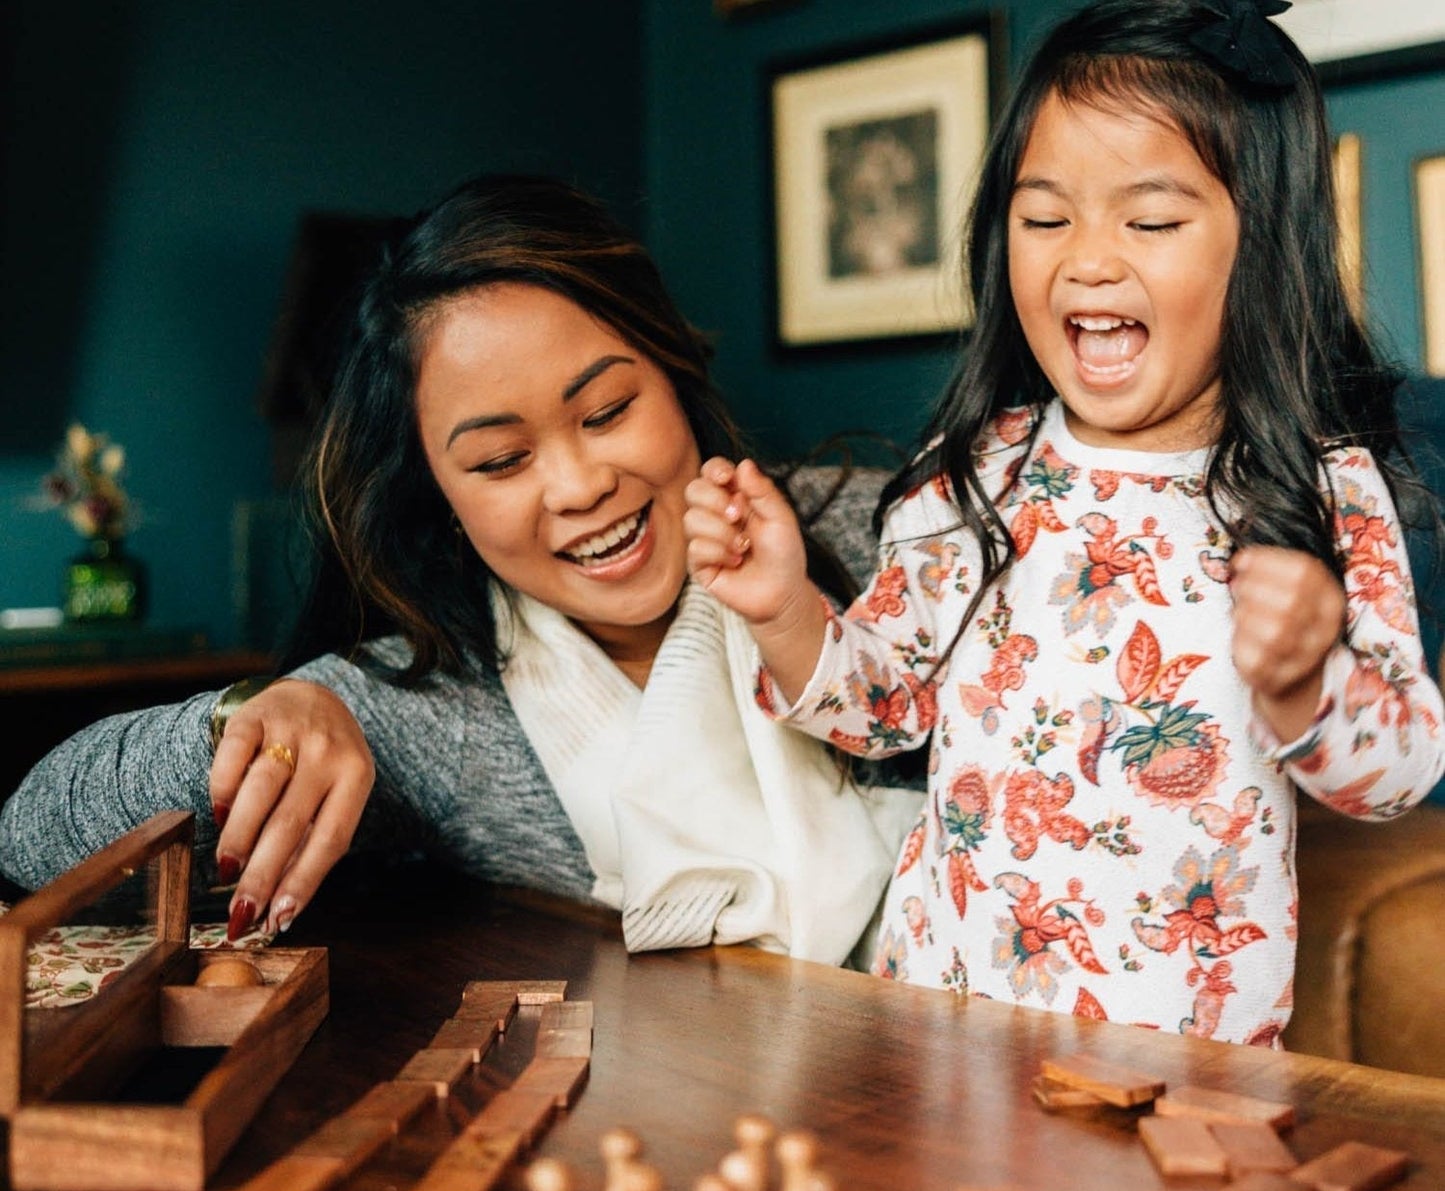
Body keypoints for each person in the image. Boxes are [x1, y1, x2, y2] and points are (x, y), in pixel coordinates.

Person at [683, 0, 1445, 1043]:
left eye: (1149, 220)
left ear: (1262, 245)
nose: (1086, 259)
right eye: (1044, 218)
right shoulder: (977, 473)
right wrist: (780, 606)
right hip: (940, 1026)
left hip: (1180, 1055)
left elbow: (1395, 778)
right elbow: (883, 708)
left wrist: (1306, 680)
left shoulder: (1322, 491)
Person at [0, 175, 921, 967]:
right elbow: (34, 839)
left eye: (605, 411)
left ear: (673, 372)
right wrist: (245, 719)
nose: (578, 484)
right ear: (439, 491)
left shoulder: (897, 534)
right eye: (498, 461)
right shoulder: (425, 699)